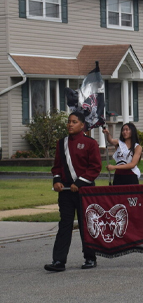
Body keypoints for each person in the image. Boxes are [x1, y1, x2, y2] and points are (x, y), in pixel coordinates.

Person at [45, 112, 102, 272]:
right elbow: (57, 167)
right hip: (66, 192)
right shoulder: (61, 143)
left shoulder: (90, 143)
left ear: (82, 125)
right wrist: (57, 181)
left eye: (74, 122)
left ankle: (90, 258)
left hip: (85, 191)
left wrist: (79, 183)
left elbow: (95, 168)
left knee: (86, 225)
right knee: (65, 225)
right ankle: (58, 261)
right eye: (69, 122)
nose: (70, 124)